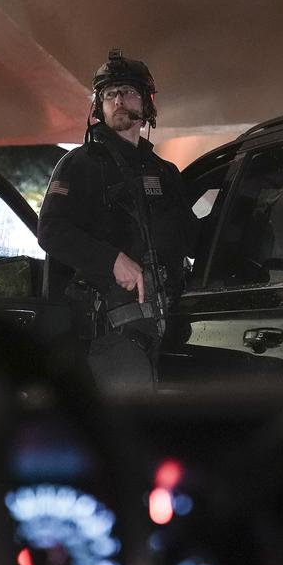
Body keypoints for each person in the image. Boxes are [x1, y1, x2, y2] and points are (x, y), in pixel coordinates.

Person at [38, 49, 195, 387]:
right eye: (110, 94)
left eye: (128, 92)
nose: (119, 100)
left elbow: (193, 238)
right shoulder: (80, 165)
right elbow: (51, 230)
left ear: (147, 104)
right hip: (114, 334)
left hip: (171, 330)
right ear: (99, 107)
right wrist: (111, 260)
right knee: (129, 415)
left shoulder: (165, 173)